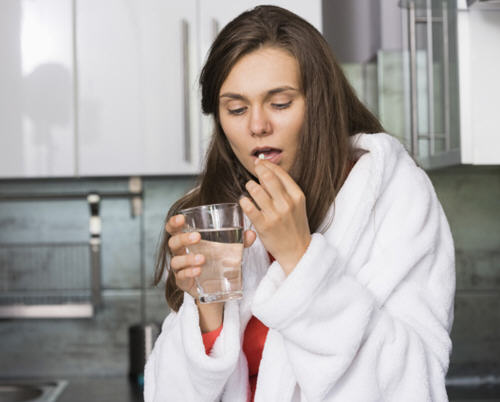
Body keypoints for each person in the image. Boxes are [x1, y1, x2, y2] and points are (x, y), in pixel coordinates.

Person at [144, 5, 455, 402]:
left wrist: (300, 258)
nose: (257, 125)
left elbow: (414, 385)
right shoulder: (222, 211)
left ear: (320, 104)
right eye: (236, 109)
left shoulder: (394, 197)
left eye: (280, 103)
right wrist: (208, 309)